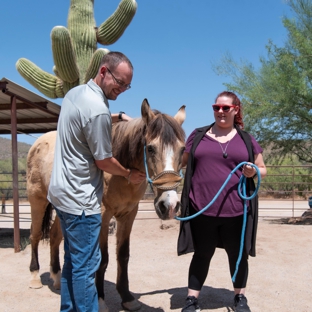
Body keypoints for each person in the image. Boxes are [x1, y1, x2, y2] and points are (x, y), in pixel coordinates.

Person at [47, 51, 146, 312]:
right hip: (82, 201)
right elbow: (104, 162)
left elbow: (84, 121)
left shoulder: (75, 95)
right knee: (85, 269)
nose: (123, 89)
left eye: (127, 85)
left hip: (61, 194)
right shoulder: (99, 110)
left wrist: (119, 116)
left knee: (72, 262)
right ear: (103, 71)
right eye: (119, 82)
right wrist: (128, 174)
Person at [177, 91, 267, 312]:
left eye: (225, 108)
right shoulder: (197, 136)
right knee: (202, 254)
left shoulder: (246, 139)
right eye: (216, 107)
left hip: (237, 211)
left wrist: (252, 171)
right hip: (201, 209)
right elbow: (180, 163)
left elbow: (262, 168)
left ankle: (239, 299)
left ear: (235, 110)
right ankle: (191, 300)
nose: (220, 112)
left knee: (238, 255)